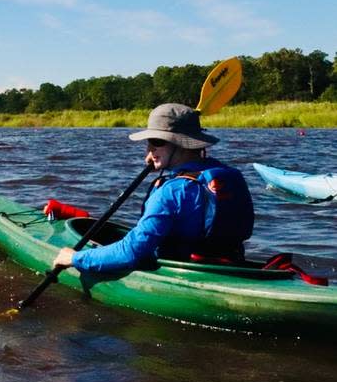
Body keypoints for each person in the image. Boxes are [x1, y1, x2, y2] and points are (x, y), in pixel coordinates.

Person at [52, 103, 254, 274]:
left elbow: (129, 252)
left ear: (183, 145)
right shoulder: (226, 173)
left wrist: (76, 258)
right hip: (229, 263)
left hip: (185, 270)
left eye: (156, 142)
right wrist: (161, 158)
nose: (149, 149)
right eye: (149, 142)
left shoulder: (171, 192)